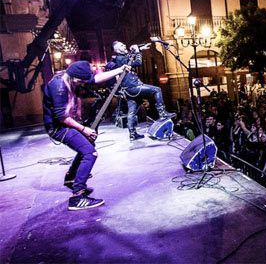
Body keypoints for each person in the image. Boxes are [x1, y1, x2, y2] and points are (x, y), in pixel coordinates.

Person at [43, 60, 130, 210]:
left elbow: (96, 79)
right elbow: (61, 117)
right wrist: (84, 129)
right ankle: (77, 196)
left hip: (66, 124)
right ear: (75, 77)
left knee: (88, 146)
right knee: (90, 153)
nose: (83, 84)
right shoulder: (58, 86)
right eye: (81, 81)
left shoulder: (72, 77)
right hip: (58, 128)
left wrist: (120, 69)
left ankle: (71, 178)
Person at [106, 41, 175, 141]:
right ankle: (162, 112)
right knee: (157, 90)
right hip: (133, 86)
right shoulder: (120, 59)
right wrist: (138, 52)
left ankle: (132, 133)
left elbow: (130, 57)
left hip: (128, 88)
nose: (124, 45)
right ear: (117, 50)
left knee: (132, 111)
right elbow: (138, 62)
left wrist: (140, 49)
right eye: (121, 45)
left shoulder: (120, 58)